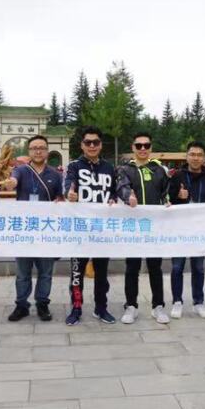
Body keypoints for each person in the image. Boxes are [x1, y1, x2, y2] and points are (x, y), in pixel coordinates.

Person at [2, 135, 63, 323]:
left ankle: (42, 304)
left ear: (47, 151)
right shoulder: (21, 170)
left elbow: (60, 198)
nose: (38, 151)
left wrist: (61, 200)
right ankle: (21, 305)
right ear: (29, 151)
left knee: (46, 272)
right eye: (34, 148)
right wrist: (11, 183)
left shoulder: (55, 175)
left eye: (42, 148)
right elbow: (13, 180)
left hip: (46, 231)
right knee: (23, 273)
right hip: (25, 231)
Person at [63, 126, 118, 325]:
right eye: (88, 142)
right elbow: (67, 185)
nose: (92, 145)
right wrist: (69, 194)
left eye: (96, 142)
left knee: (101, 273)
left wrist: (113, 198)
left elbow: (114, 190)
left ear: (101, 145)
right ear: (82, 145)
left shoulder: (109, 167)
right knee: (77, 273)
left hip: (102, 229)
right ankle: (76, 308)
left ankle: (101, 307)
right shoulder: (74, 166)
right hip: (80, 229)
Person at [117, 131, 170, 324]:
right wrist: (128, 196)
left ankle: (158, 306)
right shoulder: (125, 169)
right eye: (138, 145)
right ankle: (131, 306)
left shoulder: (159, 169)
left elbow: (166, 192)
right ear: (133, 148)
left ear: (150, 148)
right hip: (134, 226)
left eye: (146, 145)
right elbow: (122, 187)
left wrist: (168, 200)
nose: (142, 149)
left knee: (155, 267)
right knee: (132, 267)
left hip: (154, 226)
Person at [167, 141, 205, 319]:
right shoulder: (176, 177)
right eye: (192, 154)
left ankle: (198, 302)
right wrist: (177, 196)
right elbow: (167, 199)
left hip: (199, 231)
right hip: (179, 230)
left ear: (204, 158)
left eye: (199, 155)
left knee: (198, 268)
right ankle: (177, 301)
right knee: (177, 267)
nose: (196, 158)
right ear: (186, 157)